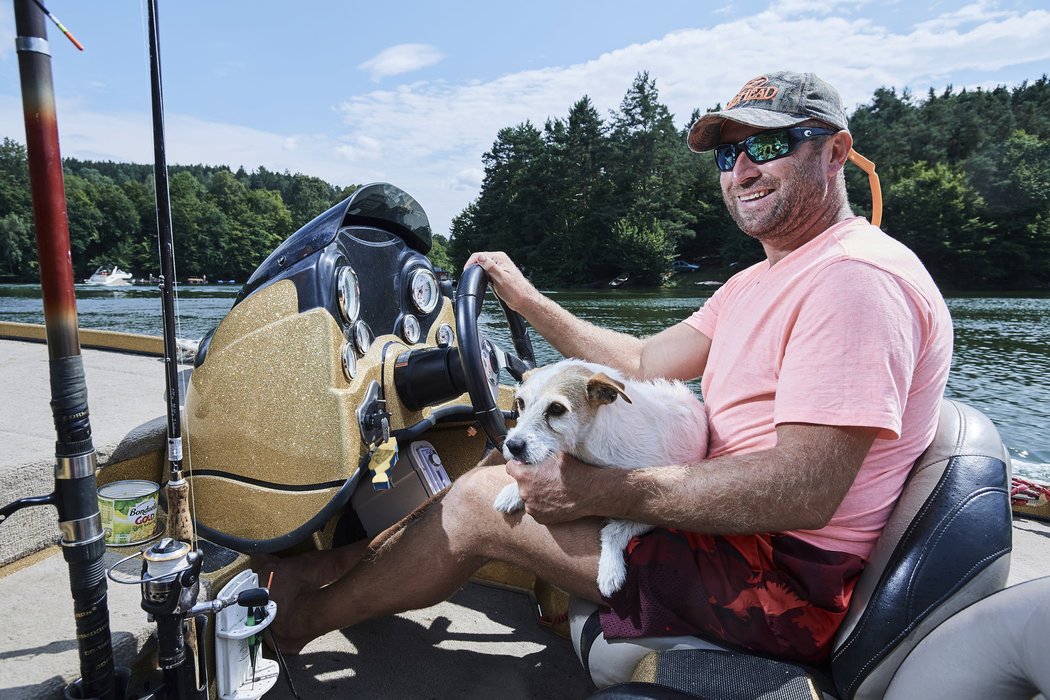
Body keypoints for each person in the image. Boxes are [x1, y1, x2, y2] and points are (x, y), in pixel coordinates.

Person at [264, 71, 952, 670]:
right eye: (727, 152)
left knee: (478, 503)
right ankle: (322, 571)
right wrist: (527, 299)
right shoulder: (766, 279)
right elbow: (645, 360)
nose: (741, 169)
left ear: (834, 153)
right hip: (728, 540)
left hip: (777, 585)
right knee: (494, 471)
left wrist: (601, 490)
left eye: (768, 146)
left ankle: (296, 626)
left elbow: (803, 492)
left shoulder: (854, 280)